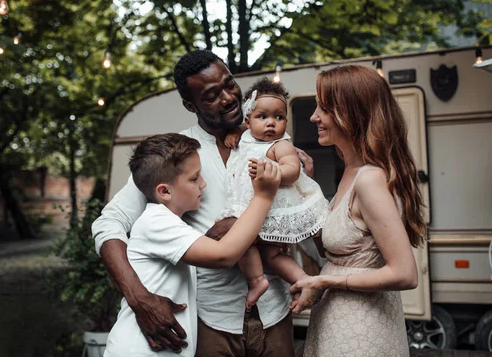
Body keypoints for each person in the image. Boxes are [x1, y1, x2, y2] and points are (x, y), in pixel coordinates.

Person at [92, 50, 306, 357]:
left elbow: (297, 211)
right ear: (190, 105)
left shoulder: (272, 142)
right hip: (211, 319)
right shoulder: (177, 155)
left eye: (230, 84)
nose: (229, 98)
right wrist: (139, 298)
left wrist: (301, 180)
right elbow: (108, 222)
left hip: (275, 309)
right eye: (211, 95)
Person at [288, 65, 428, 357]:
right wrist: (308, 189)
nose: (314, 116)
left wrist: (325, 281)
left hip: (361, 330)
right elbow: (339, 252)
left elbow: (405, 273)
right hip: (341, 321)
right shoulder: (352, 170)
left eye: (324, 109)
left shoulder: (369, 179)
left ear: (351, 114)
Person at [104, 133, 281, 356]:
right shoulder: (156, 222)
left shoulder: (169, 222)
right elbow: (224, 255)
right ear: (165, 191)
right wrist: (263, 197)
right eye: (194, 178)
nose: (203, 183)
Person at [220, 78, 328, 309]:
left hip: (274, 210)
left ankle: (303, 280)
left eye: (279, 117)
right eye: (263, 117)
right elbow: (240, 140)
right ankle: (257, 280)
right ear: (247, 121)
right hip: (248, 209)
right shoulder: (244, 138)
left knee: (273, 254)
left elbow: (292, 170)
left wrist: (272, 169)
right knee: (242, 244)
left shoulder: (281, 145)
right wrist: (234, 136)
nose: (271, 123)